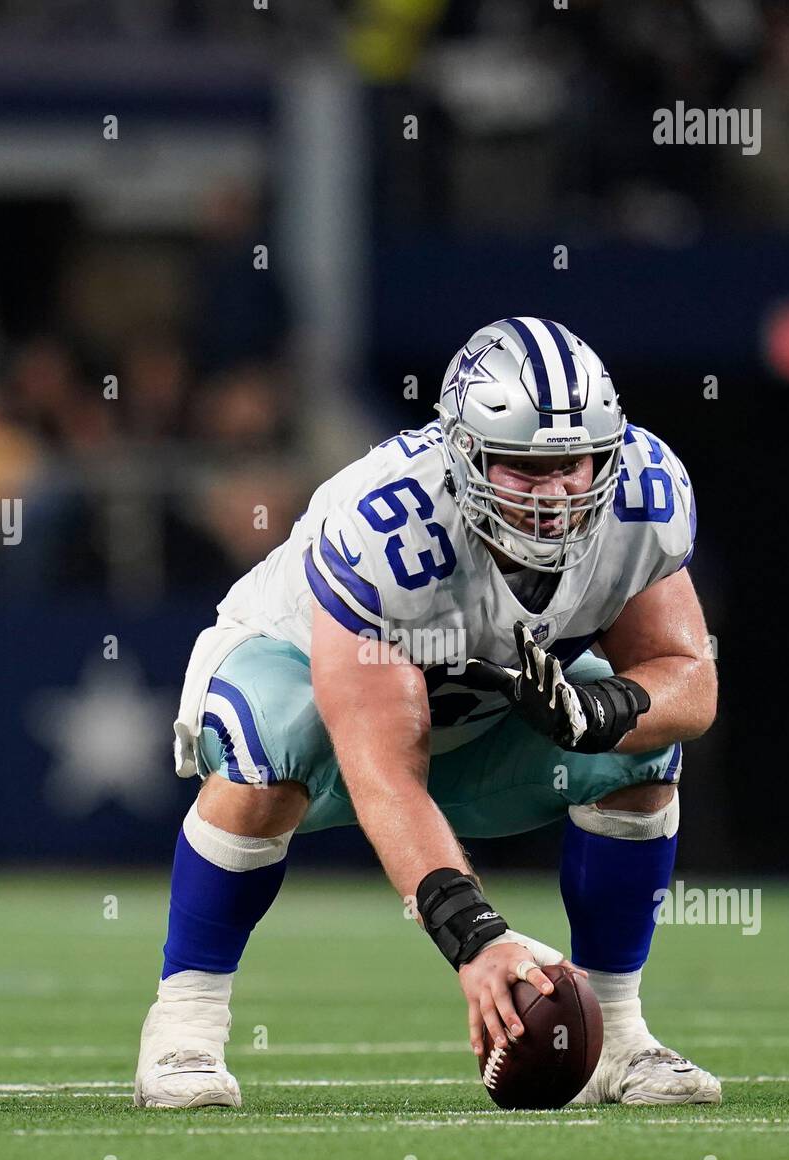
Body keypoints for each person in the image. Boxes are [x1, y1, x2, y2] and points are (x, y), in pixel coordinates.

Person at [134, 317, 718, 1109]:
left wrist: (600, 710)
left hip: (476, 720)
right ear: (465, 454)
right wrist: (474, 937)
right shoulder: (391, 523)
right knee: (275, 739)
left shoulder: (639, 498)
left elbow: (688, 678)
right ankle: (185, 1028)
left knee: (641, 750)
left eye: (569, 464)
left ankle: (617, 1033)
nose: (553, 495)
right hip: (311, 694)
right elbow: (381, 763)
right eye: (520, 466)